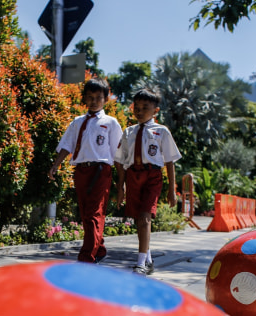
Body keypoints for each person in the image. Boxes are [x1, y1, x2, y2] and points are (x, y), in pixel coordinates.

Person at [49, 78, 123, 263]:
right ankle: (99, 248)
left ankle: (86, 258)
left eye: (98, 97)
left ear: (106, 99)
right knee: (85, 213)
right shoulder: (77, 122)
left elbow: (118, 154)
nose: (94, 101)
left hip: (101, 171)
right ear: (84, 99)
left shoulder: (110, 123)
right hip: (81, 171)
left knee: (93, 214)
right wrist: (55, 165)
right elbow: (67, 145)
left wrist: (121, 182)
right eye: (90, 97)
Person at [114, 88, 181, 275]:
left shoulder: (161, 131)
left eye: (145, 107)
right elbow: (119, 160)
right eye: (137, 107)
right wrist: (121, 187)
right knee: (139, 220)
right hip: (133, 176)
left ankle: (140, 263)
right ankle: (148, 258)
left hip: (152, 177)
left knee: (145, 217)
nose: (140, 111)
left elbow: (170, 160)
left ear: (155, 111)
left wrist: (171, 190)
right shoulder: (128, 132)